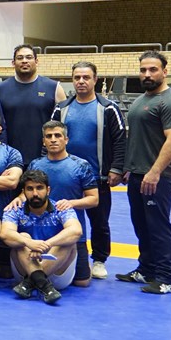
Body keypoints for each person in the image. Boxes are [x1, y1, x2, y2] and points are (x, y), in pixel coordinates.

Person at [51, 62, 126, 280]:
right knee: (62, 217)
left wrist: (116, 168)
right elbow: (49, 135)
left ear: (95, 80)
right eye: (77, 77)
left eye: (86, 77)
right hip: (66, 176)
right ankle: (62, 256)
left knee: (99, 221)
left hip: (97, 176)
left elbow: (120, 140)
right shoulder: (61, 108)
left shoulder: (108, 108)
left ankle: (99, 260)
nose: (81, 81)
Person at [119, 51, 171, 295]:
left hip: (159, 177)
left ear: (164, 72)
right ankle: (146, 269)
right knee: (141, 225)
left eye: (153, 69)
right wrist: (129, 168)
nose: (147, 74)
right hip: (138, 174)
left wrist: (155, 172)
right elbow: (138, 139)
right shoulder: (141, 100)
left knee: (158, 227)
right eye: (143, 70)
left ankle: (167, 278)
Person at [0, 169, 83, 305]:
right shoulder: (15, 209)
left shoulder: (61, 208)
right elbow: (5, 234)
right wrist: (29, 243)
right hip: (24, 269)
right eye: (30, 189)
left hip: (57, 274)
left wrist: (46, 244)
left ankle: (31, 281)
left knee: (68, 240)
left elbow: (76, 231)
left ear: (48, 190)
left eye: (39, 188)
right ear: (23, 191)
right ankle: (44, 285)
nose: (35, 193)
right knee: (21, 237)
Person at [0, 45, 66, 165]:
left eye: (29, 57)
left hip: (45, 158)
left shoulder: (54, 88)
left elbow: (63, 125)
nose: (24, 61)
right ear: (13, 63)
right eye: (20, 58)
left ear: (36, 61)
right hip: (9, 159)